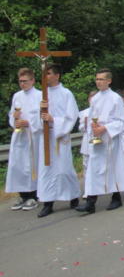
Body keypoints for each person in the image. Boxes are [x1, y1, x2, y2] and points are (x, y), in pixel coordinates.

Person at [75, 68, 124, 214]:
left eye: (101, 79)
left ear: (109, 81)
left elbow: (122, 122)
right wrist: (93, 129)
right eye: (97, 79)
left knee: (113, 168)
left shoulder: (115, 99)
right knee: (93, 169)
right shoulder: (95, 99)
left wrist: (105, 128)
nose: (98, 82)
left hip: (111, 139)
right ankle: (90, 202)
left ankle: (116, 197)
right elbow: (91, 119)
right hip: (97, 139)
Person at [37, 63, 81, 218]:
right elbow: (35, 118)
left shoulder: (66, 93)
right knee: (46, 169)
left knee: (64, 168)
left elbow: (72, 116)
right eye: (44, 74)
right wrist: (41, 114)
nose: (45, 77)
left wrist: (53, 120)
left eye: (48, 73)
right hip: (46, 137)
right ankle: (47, 202)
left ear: (57, 75)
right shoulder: (42, 94)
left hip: (60, 137)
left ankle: (73, 197)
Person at [6, 68, 42, 212]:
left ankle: (34, 195)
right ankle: (23, 195)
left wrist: (29, 123)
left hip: (33, 136)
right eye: (20, 81)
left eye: (25, 81)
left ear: (32, 80)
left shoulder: (40, 95)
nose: (22, 84)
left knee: (31, 166)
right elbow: (12, 114)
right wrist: (14, 121)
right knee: (18, 166)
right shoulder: (17, 96)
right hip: (19, 136)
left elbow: (42, 116)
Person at [78, 91, 97, 181]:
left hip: (97, 138)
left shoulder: (101, 111)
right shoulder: (84, 113)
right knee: (86, 162)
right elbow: (80, 127)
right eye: (91, 98)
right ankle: (87, 187)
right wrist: (84, 125)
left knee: (97, 163)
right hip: (87, 139)